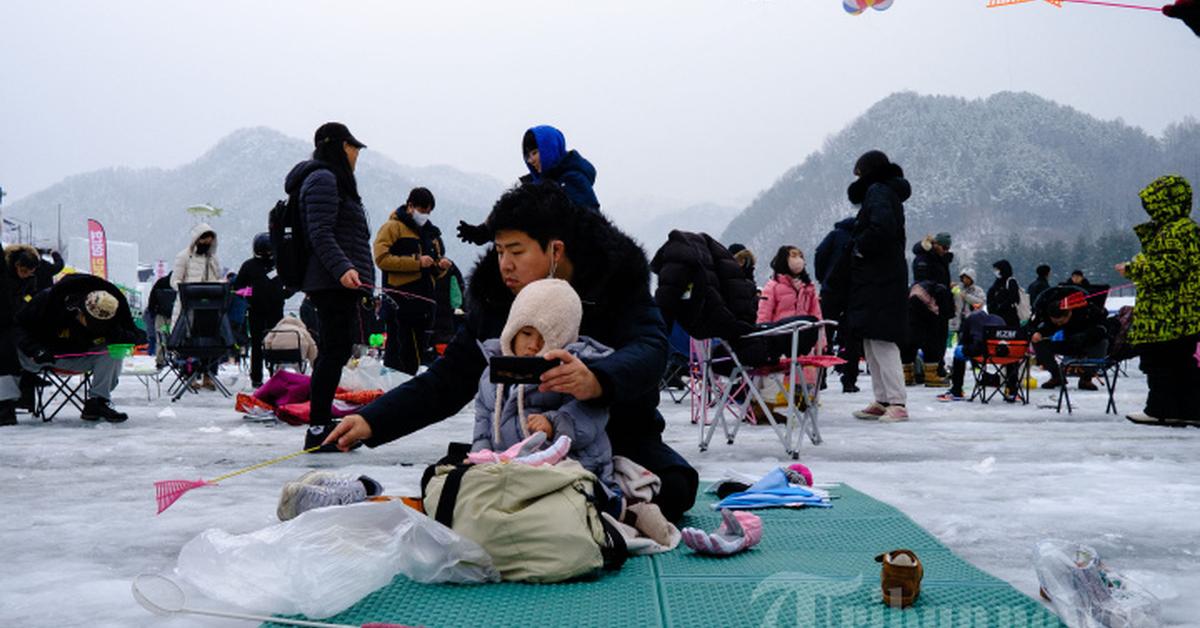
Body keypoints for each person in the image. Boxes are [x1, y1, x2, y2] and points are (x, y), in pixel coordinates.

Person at [327, 182, 700, 522]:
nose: (505, 263)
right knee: (447, 485)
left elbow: (650, 350)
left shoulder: (617, 283)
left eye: (517, 251)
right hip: (517, 448)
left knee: (675, 489)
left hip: (613, 440)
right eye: (500, 249)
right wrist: (373, 420)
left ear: (555, 250)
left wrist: (597, 380)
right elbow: (448, 379)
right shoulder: (497, 300)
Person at [472, 278, 615, 487]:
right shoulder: (492, 374)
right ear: (511, 331)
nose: (533, 345)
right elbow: (483, 422)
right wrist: (481, 458)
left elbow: (591, 415)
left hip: (572, 468)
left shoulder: (572, 371)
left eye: (546, 337)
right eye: (526, 333)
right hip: (510, 470)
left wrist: (553, 422)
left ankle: (623, 509)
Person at [286, 121, 375, 451]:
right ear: (338, 146)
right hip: (331, 282)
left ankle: (321, 421)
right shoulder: (323, 178)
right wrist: (343, 270)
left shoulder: (333, 179)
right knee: (333, 351)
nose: (356, 155)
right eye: (352, 148)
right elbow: (320, 232)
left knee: (336, 350)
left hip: (338, 281)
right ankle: (318, 426)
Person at [1116, 175, 1200, 425]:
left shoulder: (1177, 230)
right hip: (1179, 312)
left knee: (1160, 361)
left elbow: (1167, 268)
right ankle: (1186, 410)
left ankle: (1161, 409)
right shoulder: (1185, 229)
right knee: (1179, 362)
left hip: (1168, 314)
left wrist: (1133, 269)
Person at [13, 274, 145, 422]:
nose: (95, 328)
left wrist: (120, 335)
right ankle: (10, 399)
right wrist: (35, 349)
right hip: (46, 355)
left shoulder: (114, 303)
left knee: (112, 352)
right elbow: (17, 327)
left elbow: (138, 335)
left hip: (84, 355)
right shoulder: (48, 300)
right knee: (12, 347)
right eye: (92, 322)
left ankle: (98, 402)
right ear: (81, 310)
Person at [845, 150, 911, 422]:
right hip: (875, 277)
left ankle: (897, 401)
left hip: (882, 277)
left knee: (882, 339)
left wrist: (860, 248)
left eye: (858, 172)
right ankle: (882, 398)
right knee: (871, 339)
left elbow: (881, 229)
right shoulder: (881, 191)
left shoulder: (879, 192)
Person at [456, 125, 599, 245]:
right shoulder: (533, 185)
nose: (530, 160)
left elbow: (590, 223)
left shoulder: (571, 179)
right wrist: (485, 231)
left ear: (550, 149)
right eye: (527, 155)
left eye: (535, 153)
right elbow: (513, 211)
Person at [373, 187, 447, 375]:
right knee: (398, 354)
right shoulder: (392, 227)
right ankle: (393, 391)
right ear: (410, 206)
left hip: (424, 305)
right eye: (422, 211)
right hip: (400, 302)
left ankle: (407, 388)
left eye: (428, 212)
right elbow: (381, 259)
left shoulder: (430, 234)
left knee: (415, 356)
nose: (425, 215)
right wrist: (416, 262)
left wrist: (440, 267)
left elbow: (433, 270)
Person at [233, 233, 291, 388]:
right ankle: (258, 378)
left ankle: (273, 375)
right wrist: (250, 295)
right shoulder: (250, 265)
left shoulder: (279, 264)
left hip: (273, 310)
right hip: (257, 311)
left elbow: (292, 283)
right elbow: (237, 288)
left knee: (273, 345)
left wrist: (283, 294)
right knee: (260, 346)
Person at [814, 216, 861, 393]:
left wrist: (823, 277)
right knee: (853, 337)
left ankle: (821, 377)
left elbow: (820, 254)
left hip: (831, 290)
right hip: (855, 292)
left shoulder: (834, 235)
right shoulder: (862, 237)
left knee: (824, 333)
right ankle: (849, 380)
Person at [0, 246, 42, 425]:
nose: (25, 275)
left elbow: (32, 298)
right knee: (5, 359)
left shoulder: (30, 279)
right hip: (3, 323)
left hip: (18, 323)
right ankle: (6, 406)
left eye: (29, 272)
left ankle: (18, 396)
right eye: (23, 271)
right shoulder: (4, 273)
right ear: (16, 264)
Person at [1029, 299, 1109, 391]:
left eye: (1061, 322)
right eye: (1056, 322)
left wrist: (1086, 336)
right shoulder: (1051, 318)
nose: (1058, 324)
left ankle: (1086, 378)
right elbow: (1046, 328)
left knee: (1102, 342)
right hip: (1066, 343)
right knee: (1038, 343)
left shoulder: (1087, 313)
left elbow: (1102, 329)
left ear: (1069, 313)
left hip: (1086, 342)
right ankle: (1056, 376)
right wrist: (1038, 333)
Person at [908, 232, 953, 385]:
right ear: (935, 244)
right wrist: (939, 289)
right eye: (944, 247)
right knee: (932, 339)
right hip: (929, 304)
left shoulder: (938, 259)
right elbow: (924, 281)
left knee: (934, 339)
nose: (946, 250)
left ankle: (925, 372)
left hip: (936, 302)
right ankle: (930, 374)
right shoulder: (924, 258)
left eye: (948, 248)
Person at [936, 306, 1006, 402]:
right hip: (1003, 355)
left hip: (980, 353)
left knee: (959, 352)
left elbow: (964, 341)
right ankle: (1012, 391)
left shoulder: (971, 319)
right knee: (1016, 353)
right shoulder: (999, 319)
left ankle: (957, 390)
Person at [144, 272, 175, 369]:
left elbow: (152, 300)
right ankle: (182, 362)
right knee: (180, 339)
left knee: (161, 338)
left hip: (161, 316)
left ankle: (160, 360)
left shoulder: (161, 282)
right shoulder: (182, 282)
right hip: (178, 317)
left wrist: (153, 313)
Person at [986, 260, 1021, 327]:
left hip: (1009, 317)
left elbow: (1014, 298)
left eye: (997, 269)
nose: (996, 272)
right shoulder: (996, 283)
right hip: (997, 317)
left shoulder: (1010, 281)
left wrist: (1002, 306)